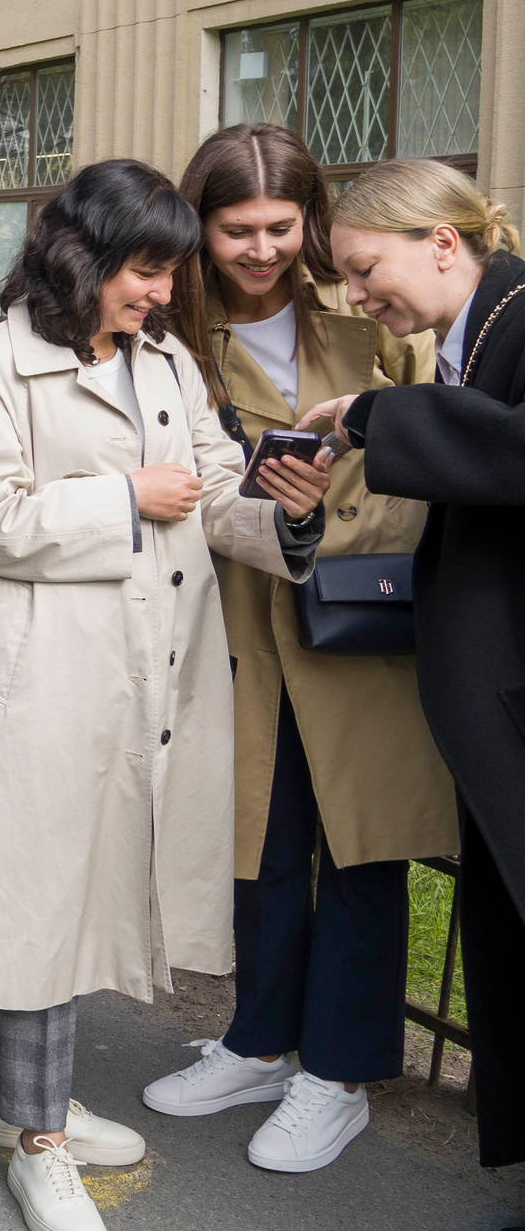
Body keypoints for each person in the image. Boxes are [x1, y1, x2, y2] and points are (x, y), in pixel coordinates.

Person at [0, 160, 326, 1231]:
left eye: (166, 273)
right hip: (36, 676)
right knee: (35, 905)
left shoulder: (165, 368)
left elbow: (215, 493)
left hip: (137, 672)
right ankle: (39, 1139)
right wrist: (123, 499)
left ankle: (15, 1104)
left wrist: (283, 510)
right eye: (144, 271)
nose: (159, 292)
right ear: (83, 258)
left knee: (66, 894)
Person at [130, 127, 451, 1171]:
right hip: (230, 626)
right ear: (199, 228)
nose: (261, 250)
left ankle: (340, 1073)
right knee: (255, 847)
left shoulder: (373, 322)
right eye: (236, 232)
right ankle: (258, 1040)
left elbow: (430, 452)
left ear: (311, 222)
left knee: (359, 848)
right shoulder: (169, 336)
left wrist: (324, 519)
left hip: (360, 624)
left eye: (280, 227)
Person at [298, 159, 525, 1172]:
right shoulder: (470, 339)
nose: (355, 296)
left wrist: (370, 419)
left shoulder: (517, 321)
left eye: (362, 268)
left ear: (441, 241)